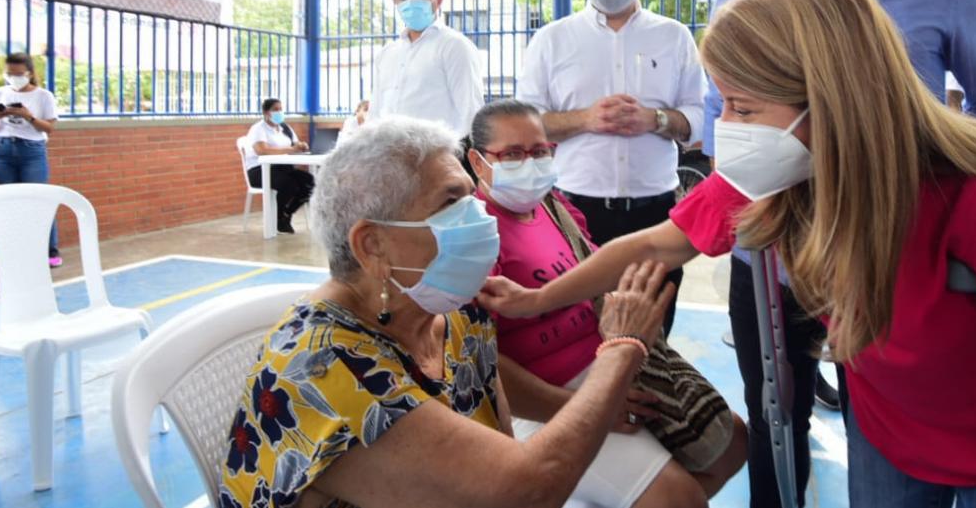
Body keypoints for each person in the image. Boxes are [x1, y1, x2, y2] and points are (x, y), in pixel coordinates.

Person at [481, 0, 976, 508]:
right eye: (724, 105)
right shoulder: (784, 172)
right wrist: (537, 301)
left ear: (834, 101)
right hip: (887, 433)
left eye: (745, 109)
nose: (727, 129)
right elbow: (655, 246)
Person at [693, 0, 976, 504]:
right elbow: (718, 118)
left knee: (891, 405)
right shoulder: (740, 0)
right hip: (777, 251)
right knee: (772, 408)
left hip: (899, 252)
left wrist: (969, 211)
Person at [218, 116, 675, 508]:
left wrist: (576, 402)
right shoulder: (324, 369)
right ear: (372, 244)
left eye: (472, 197)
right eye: (451, 203)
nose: (481, 216)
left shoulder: (453, 311)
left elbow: (494, 418)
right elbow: (526, 492)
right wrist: (620, 350)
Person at [468, 99, 746, 508]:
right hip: (552, 397)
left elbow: (612, 268)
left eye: (541, 151)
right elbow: (480, 363)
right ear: (478, 161)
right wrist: (586, 405)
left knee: (733, 444)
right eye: (512, 155)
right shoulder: (477, 237)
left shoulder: (553, 208)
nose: (530, 164)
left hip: (617, 362)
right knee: (678, 499)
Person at [517, 0, 705, 337]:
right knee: (580, 332)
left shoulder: (673, 37)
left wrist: (656, 120)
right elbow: (528, 124)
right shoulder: (552, 40)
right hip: (575, 213)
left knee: (652, 336)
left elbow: (697, 119)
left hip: (654, 215)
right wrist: (585, 119)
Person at [368, 0, 484, 136]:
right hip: (389, 156)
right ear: (396, 2)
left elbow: (471, 111)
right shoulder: (387, 54)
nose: (411, 2)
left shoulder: (454, 46)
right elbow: (375, 115)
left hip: (436, 156)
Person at [0, 53, 61, 266]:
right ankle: (11, 252)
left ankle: (50, 252)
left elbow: (49, 128)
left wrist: (28, 115)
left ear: (29, 73)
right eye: (10, 73)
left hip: (31, 151)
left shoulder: (43, 96)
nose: (14, 78)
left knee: (38, 199)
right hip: (3, 150)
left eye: (19, 74)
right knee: (7, 202)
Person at [244, 98, 313, 234]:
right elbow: (262, 150)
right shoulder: (258, 128)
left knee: (311, 183)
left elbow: (295, 144)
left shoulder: (285, 128)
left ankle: (285, 214)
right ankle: (278, 219)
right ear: (265, 112)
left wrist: (301, 146)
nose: (279, 112)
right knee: (289, 185)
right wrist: (291, 150)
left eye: (281, 109)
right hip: (260, 170)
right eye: (275, 109)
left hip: (283, 167)